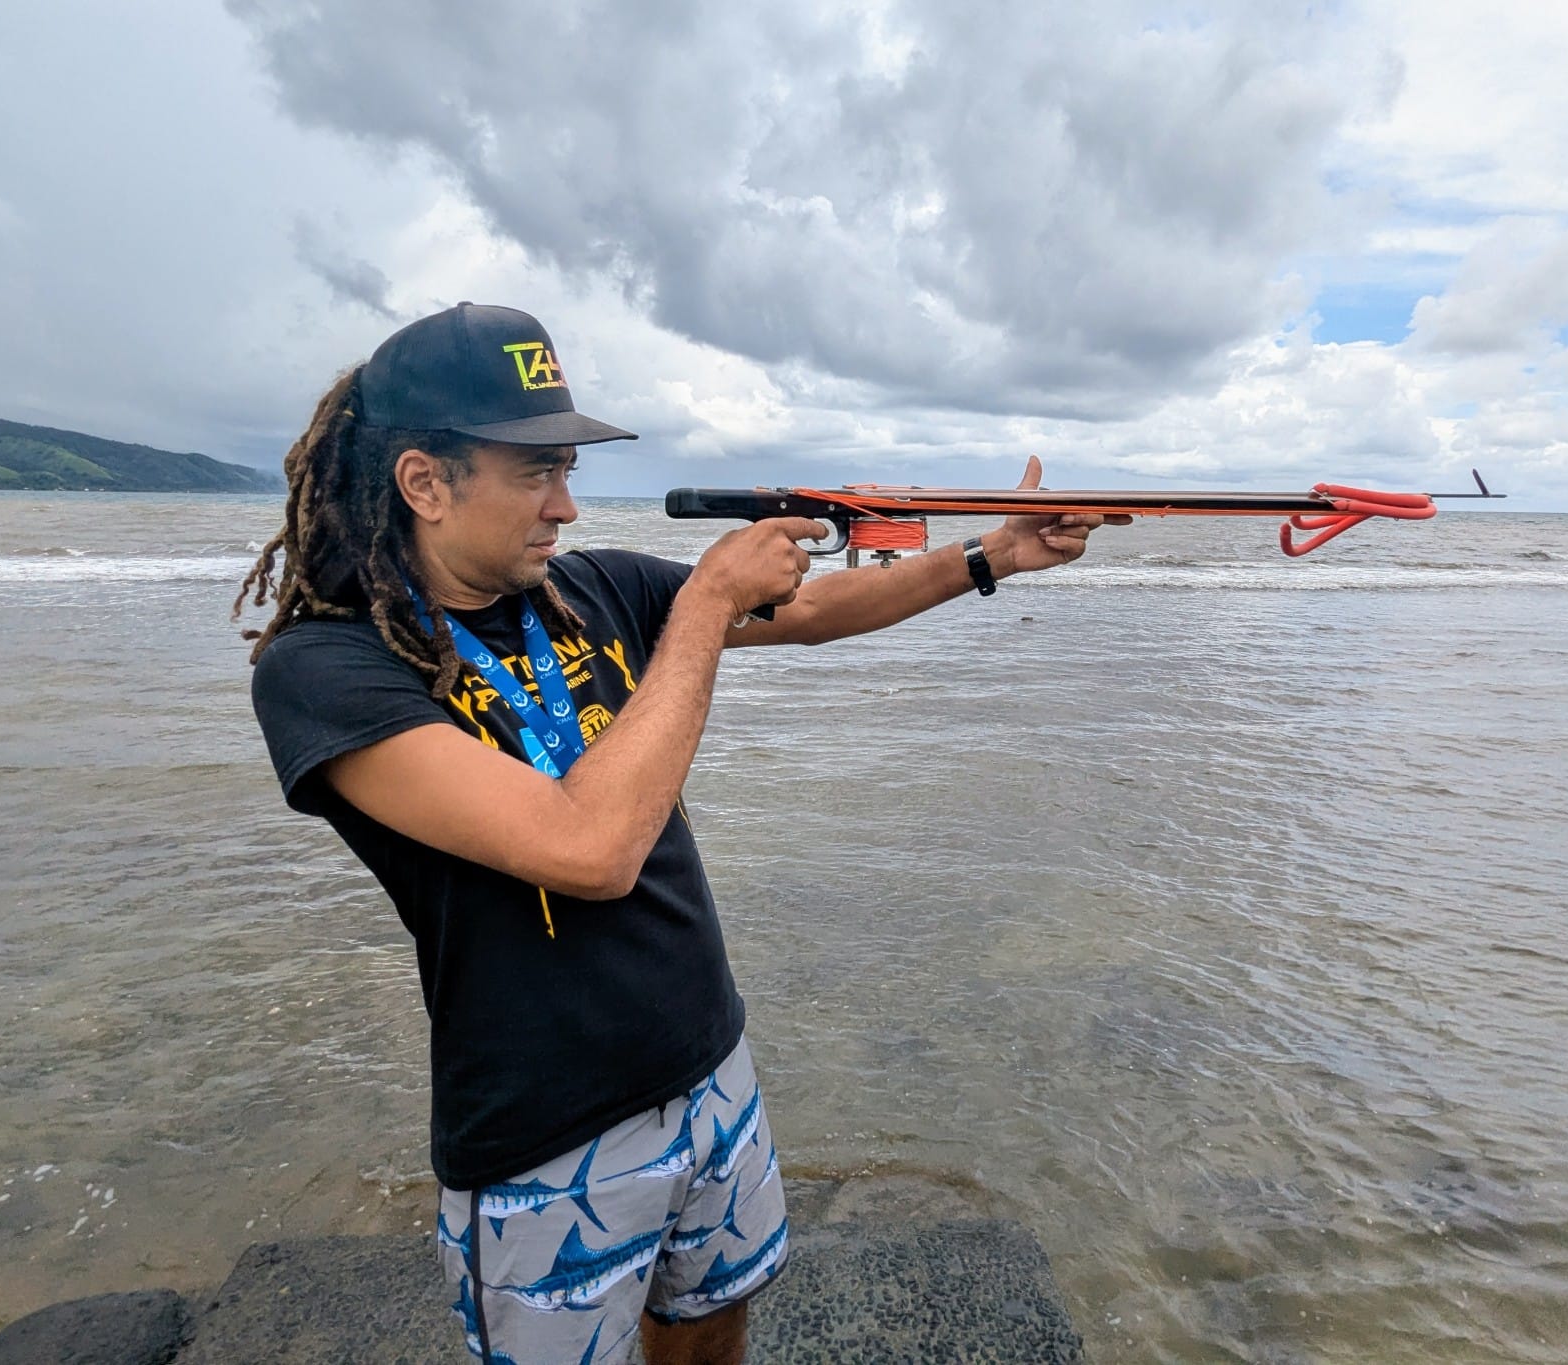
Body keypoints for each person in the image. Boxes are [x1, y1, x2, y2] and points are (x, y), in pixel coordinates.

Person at [236, 302, 1121, 1365]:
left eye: (565, 468)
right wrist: (700, 609)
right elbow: (588, 849)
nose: (564, 504)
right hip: (544, 1134)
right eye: (532, 473)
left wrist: (993, 555)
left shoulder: (587, 589)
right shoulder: (326, 672)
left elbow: (810, 609)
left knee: (712, 1325)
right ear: (424, 483)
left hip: (707, 1062)